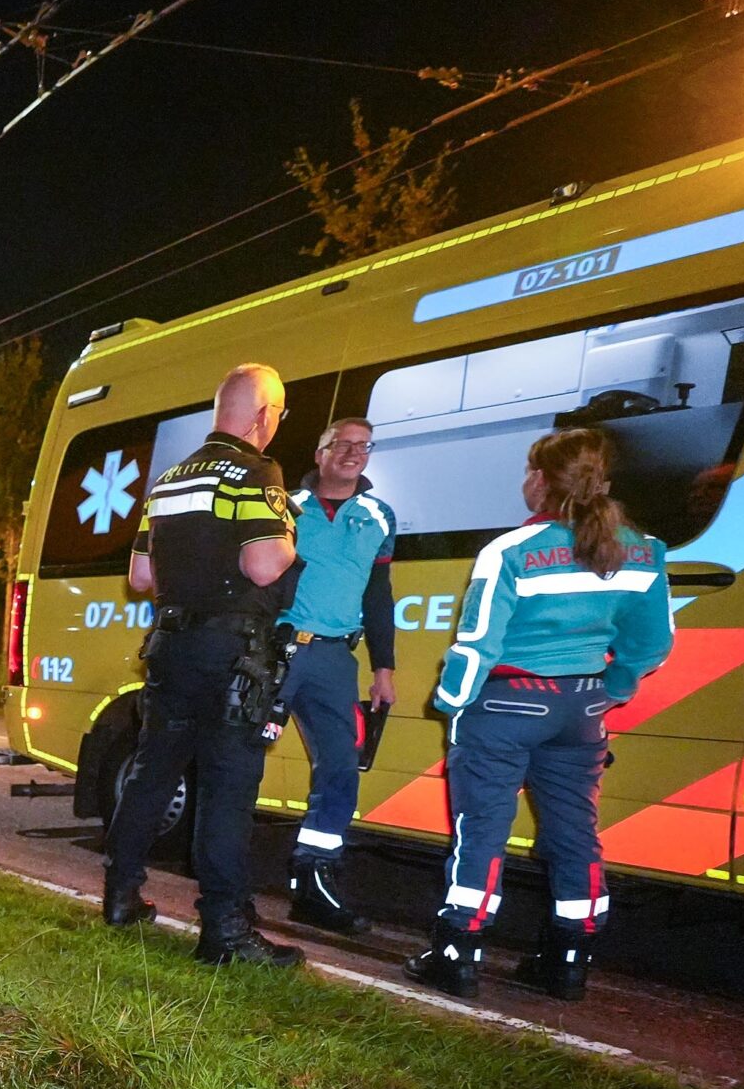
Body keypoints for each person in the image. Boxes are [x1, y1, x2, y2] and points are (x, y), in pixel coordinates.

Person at [405, 428, 674, 1000]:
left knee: (482, 830)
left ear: (541, 480)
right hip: (581, 708)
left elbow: (477, 642)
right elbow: (652, 644)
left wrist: (451, 701)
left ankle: (457, 955)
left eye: (530, 470)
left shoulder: (511, 551)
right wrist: (610, 691)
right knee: (577, 832)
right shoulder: (644, 550)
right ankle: (569, 961)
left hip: (504, 704)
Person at [103, 364, 305, 967]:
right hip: (230, 653)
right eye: (278, 416)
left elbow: (142, 576)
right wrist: (291, 531)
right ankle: (224, 933)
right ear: (264, 415)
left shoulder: (167, 480)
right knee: (226, 790)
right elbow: (265, 567)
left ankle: (120, 895)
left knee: (151, 771)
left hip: (170, 647)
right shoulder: (256, 471)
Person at [279, 417, 399, 934]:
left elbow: (378, 595)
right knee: (237, 758)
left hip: (334, 660)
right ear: (320, 451)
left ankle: (313, 885)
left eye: (363, 446)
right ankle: (227, 885)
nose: (353, 454)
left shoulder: (379, 515)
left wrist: (383, 668)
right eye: (343, 445)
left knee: (340, 769)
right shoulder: (284, 504)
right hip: (278, 650)